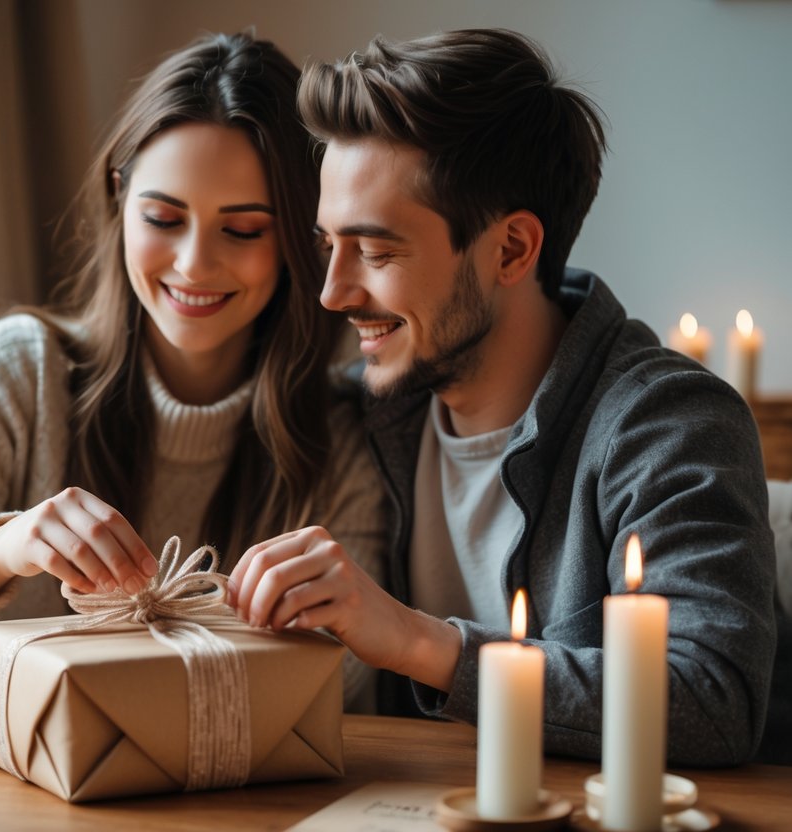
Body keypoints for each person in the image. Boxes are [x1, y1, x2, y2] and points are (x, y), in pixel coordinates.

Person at [228, 28, 778, 765]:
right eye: (329, 247)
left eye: (377, 251)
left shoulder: (668, 424)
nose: (332, 293)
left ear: (511, 249)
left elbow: (711, 700)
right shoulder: (355, 416)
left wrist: (416, 640)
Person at [0, 32, 385, 709]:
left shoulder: (334, 429)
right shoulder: (19, 370)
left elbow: (348, 688)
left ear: (299, 240)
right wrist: (3, 547)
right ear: (119, 200)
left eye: (241, 231)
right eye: (161, 217)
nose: (192, 265)